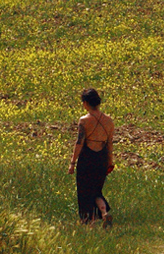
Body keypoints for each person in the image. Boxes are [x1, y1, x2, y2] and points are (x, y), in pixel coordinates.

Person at [68, 88, 115, 227]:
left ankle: (88, 221)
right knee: (96, 190)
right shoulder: (109, 121)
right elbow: (110, 143)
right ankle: (104, 212)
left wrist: (72, 162)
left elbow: (79, 142)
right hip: (101, 158)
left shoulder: (84, 120)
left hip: (87, 157)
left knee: (84, 190)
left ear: (86, 103)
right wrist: (110, 161)